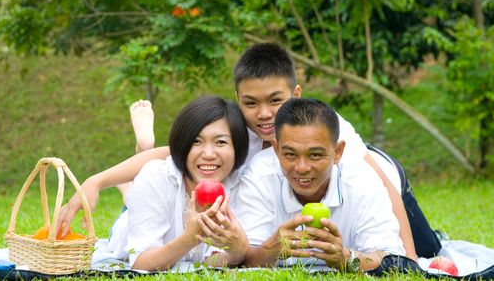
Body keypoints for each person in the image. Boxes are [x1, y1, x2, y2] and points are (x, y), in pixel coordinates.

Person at [58, 42, 440, 260]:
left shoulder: (324, 127)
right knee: (159, 182)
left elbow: (378, 184)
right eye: (251, 103)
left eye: (275, 101)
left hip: (388, 179)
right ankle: (139, 144)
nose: (265, 114)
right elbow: (171, 155)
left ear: (295, 95)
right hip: (301, 182)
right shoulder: (241, 127)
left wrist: (410, 258)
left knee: (426, 253)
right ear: (239, 99)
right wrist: (96, 180)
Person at [236, 98, 405, 271]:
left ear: (338, 152)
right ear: (277, 150)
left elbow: (392, 261)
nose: (302, 168)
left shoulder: (363, 181)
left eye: (315, 155)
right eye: (290, 154)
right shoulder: (259, 177)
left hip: (395, 174)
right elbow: (240, 261)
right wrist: (270, 250)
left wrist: (347, 258)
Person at [102, 95, 250, 271]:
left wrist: (238, 251)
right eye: (196, 141)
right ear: (182, 144)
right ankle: (133, 177)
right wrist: (188, 239)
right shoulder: (155, 176)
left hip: (151, 191)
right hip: (132, 220)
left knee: (135, 193)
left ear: (238, 146)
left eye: (220, 142)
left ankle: (129, 189)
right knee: (130, 206)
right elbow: (140, 264)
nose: (209, 153)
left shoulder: (245, 184)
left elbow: (210, 262)